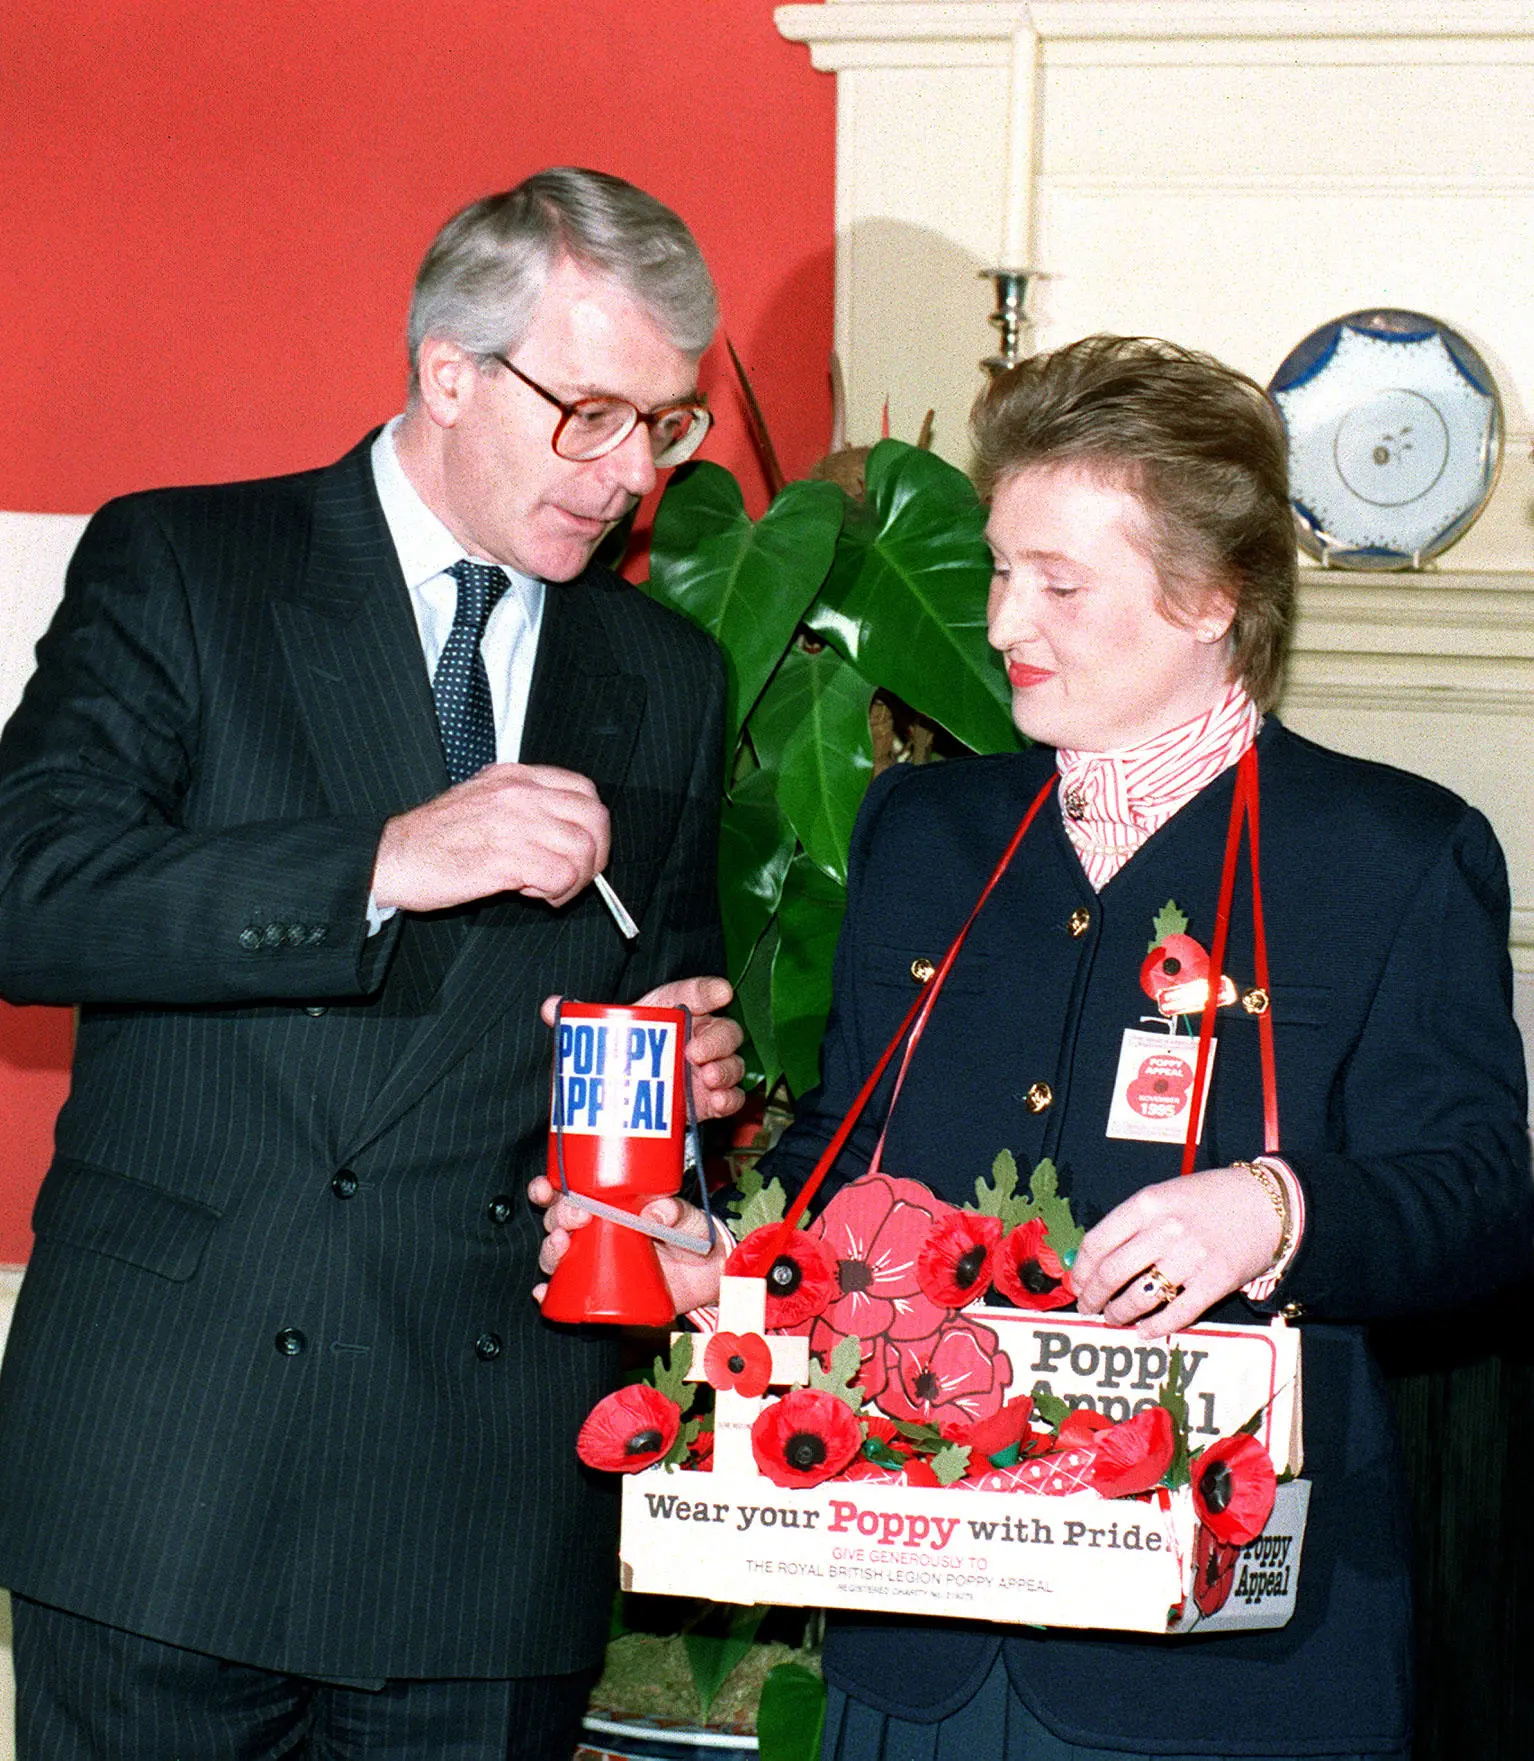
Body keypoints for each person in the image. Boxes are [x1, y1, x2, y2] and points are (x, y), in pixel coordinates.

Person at [547, 335, 1534, 1758]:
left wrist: (1275, 1208)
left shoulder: (1389, 852)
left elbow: (1476, 1198)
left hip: (1227, 1670)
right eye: (1000, 568)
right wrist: (731, 1261)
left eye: (1060, 585)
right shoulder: (923, 832)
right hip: (916, 1639)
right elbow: (849, 1149)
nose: (1005, 618)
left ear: (1213, 597)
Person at [0, 167, 743, 1760]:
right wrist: (388, 861)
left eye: (664, 427)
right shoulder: (191, 567)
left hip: (482, 1500)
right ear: (449, 372)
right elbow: (29, 894)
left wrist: (695, 1107)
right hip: (170, 1477)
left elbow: (652, 1015)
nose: (628, 478)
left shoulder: (666, 669)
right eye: (591, 415)